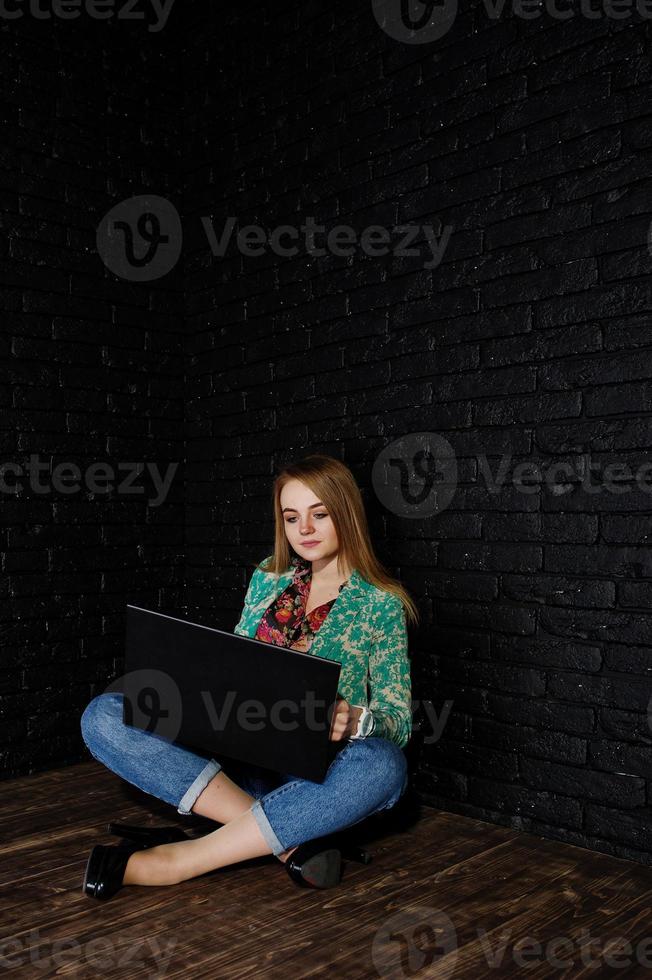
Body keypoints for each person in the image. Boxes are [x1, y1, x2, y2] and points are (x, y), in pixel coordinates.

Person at [80, 453, 419, 900]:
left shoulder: (381, 603)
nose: (305, 530)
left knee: (384, 767)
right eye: (292, 517)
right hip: (235, 758)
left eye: (320, 514)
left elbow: (399, 720)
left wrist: (355, 720)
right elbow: (236, 661)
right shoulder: (267, 577)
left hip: (313, 777)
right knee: (104, 714)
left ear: (346, 514)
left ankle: (183, 860)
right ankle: (287, 842)